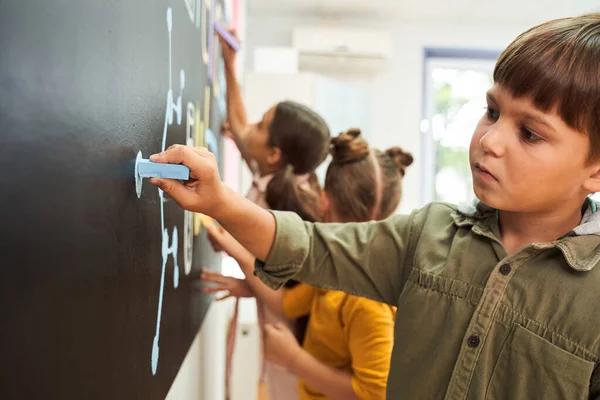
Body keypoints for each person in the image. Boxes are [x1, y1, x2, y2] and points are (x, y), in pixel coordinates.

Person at [150, 14, 600, 399]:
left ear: (595, 170)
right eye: (492, 111)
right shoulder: (430, 234)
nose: (490, 140)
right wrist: (220, 202)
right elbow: (310, 246)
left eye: (531, 134)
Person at [202, 129, 413, 399]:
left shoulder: (368, 301)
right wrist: (241, 256)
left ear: (324, 200)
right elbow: (288, 304)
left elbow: (374, 393)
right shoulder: (335, 266)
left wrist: (293, 359)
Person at [217, 28, 330, 400]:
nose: (250, 129)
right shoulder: (273, 176)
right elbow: (237, 123)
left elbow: (287, 289)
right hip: (276, 327)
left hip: (293, 340)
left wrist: (226, 238)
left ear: (275, 155)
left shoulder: (283, 208)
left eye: (262, 127)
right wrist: (229, 65)